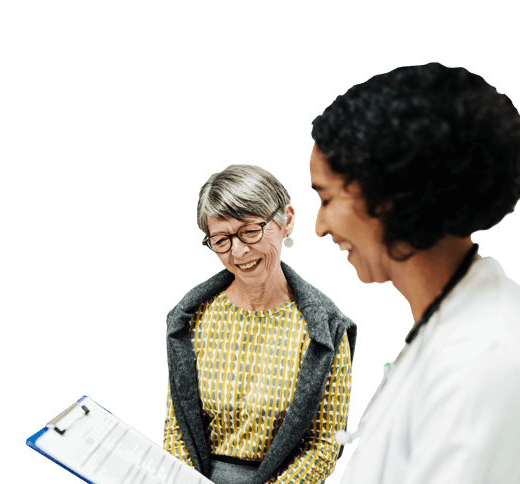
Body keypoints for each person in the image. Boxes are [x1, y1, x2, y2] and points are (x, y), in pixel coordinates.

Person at [309, 62, 520, 483]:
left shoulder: (484, 358)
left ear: (387, 198)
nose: (320, 227)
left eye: (327, 198)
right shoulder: (447, 325)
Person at [165, 164, 357, 484]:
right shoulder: (189, 319)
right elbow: (176, 427)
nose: (239, 251)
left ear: (287, 221)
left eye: (250, 230)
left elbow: (324, 446)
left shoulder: (327, 329)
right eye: (221, 239)